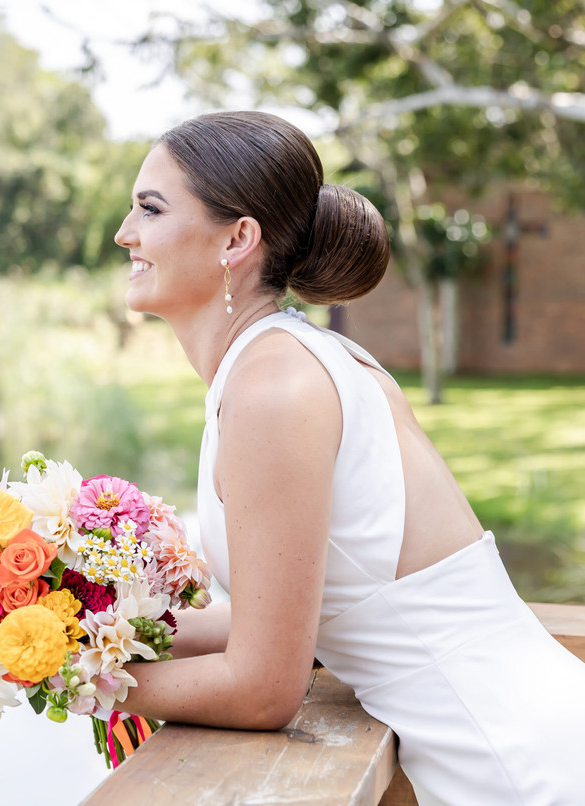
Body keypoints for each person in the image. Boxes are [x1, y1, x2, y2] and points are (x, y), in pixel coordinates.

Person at [110, 110, 585, 805]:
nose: (126, 233)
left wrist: (74, 680)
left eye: (149, 209)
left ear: (238, 238)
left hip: (509, 758)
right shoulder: (280, 362)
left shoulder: (276, 388)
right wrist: (91, 628)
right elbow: (283, 619)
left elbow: (264, 686)